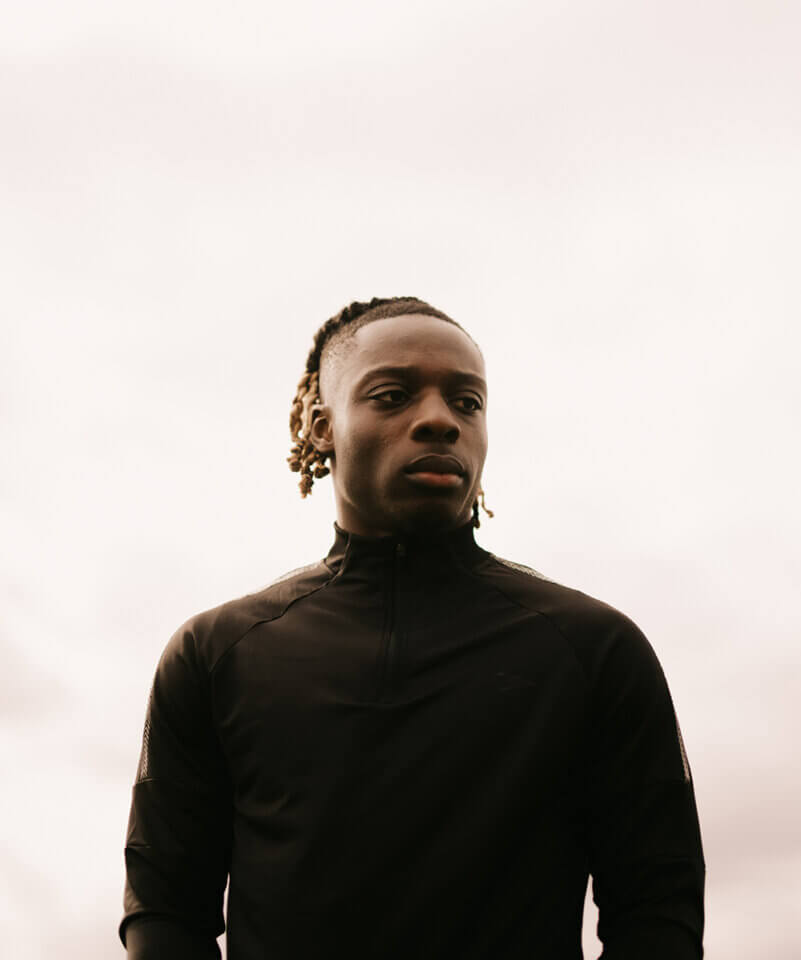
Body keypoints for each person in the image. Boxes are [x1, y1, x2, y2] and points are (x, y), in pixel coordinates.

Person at [119, 295, 706, 959]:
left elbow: (657, 909)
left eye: (467, 402)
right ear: (321, 425)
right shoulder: (214, 654)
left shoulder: (595, 649)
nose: (439, 420)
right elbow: (166, 909)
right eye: (393, 395)